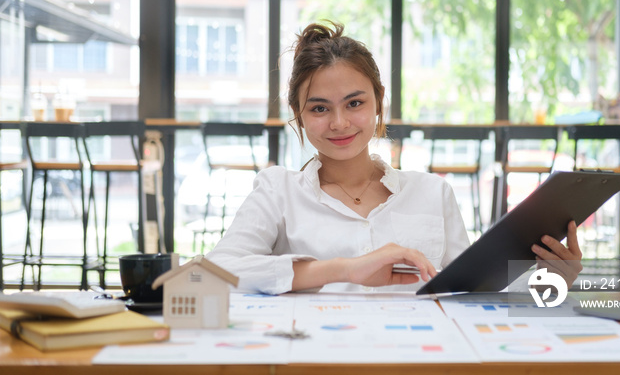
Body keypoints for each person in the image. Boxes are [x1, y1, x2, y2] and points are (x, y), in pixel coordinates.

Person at [206, 21, 582, 294]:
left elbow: (473, 294)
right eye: (319, 109)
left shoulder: (433, 193)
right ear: (298, 114)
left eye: (354, 103)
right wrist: (345, 270)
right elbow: (216, 271)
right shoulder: (277, 191)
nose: (339, 123)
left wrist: (553, 278)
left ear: (379, 101)